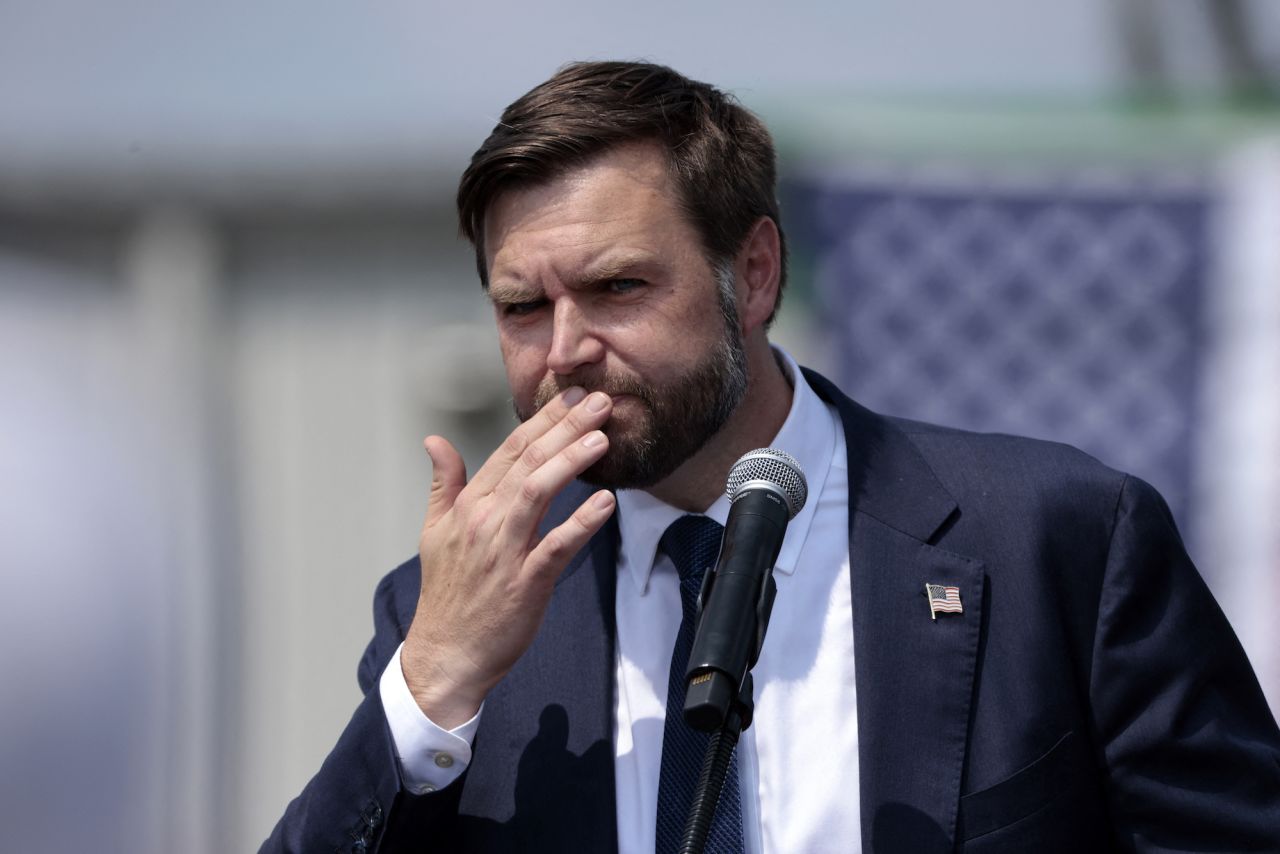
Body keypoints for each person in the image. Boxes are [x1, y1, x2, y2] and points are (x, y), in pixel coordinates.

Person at [262, 61, 1280, 854]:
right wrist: (433, 676)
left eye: (617, 287)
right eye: (522, 306)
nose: (564, 347)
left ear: (752, 273)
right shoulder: (445, 618)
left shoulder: (1053, 538)